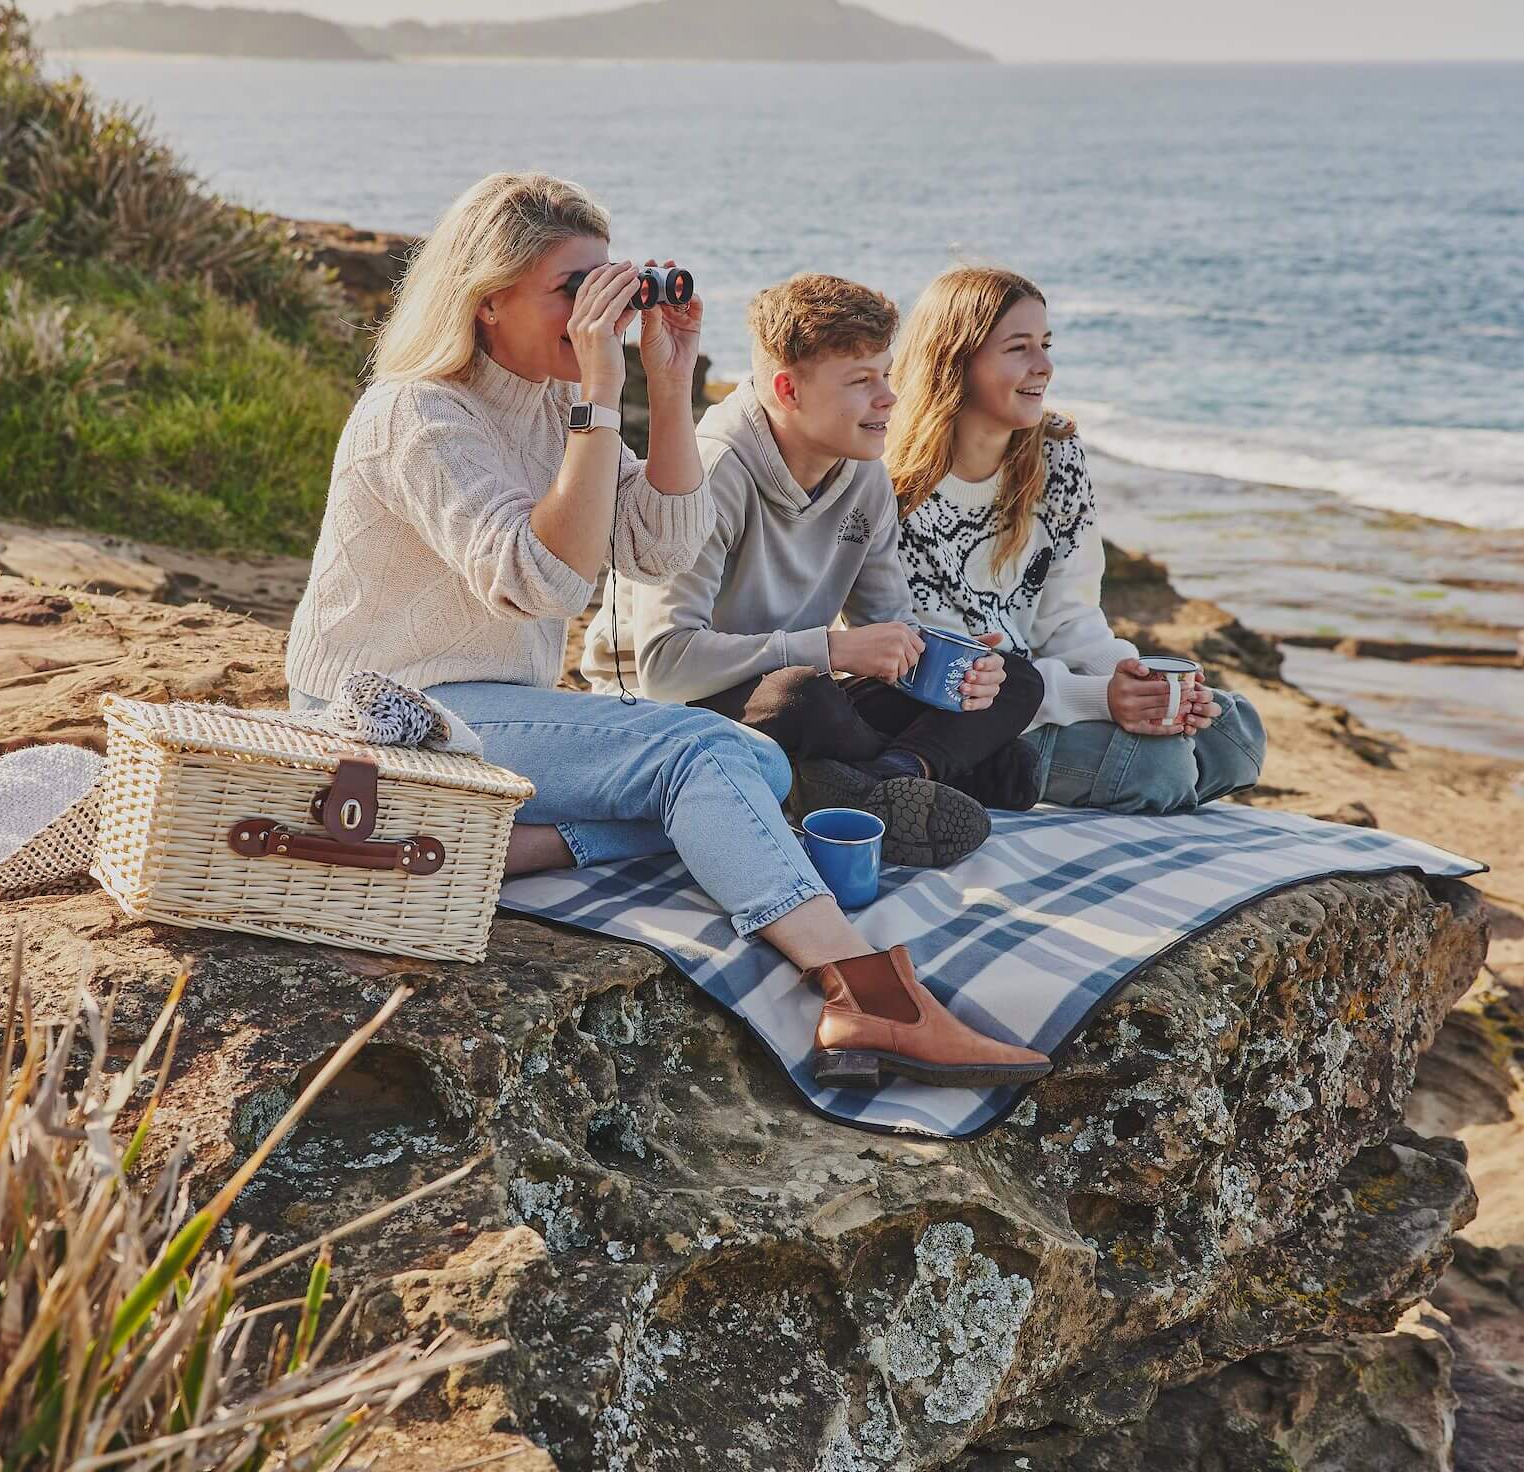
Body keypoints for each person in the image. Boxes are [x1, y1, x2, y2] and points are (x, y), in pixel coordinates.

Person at [284, 172, 1048, 1092]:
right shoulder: (416, 413)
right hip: (384, 715)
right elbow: (541, 578)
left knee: (759, 770)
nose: (595, 309)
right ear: (487, 304)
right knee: (698, 759)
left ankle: (476, 849)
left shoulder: (545, 407)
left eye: (609, 283)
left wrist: (667, 377)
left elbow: (660, 542)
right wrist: (599, 392)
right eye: (572, 290)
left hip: (487, 714)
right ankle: (862, 992)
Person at [583, 273, 1043, 860]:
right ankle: (927, 770)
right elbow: (665, 668)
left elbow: (889, 623)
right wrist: (831, 650)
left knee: (1014, 677)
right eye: (860, 381)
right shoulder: (708, 472)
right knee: (803, 697)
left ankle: (890, 776)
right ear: (787, 389)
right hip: (670, 709)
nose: (888, 399)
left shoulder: (863, 470)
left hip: (799, 692)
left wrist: (944, 656)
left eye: (886, 375)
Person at [886, 266, 1267, 813]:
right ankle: (980, 778)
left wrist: (1134, 684)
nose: (1045, 366)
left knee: (1235, 732)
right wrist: (1100, 700)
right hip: (970, 716)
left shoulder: (1055, 453)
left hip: (1048, 689)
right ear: (957, 361)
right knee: (1159, 768)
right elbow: (955, 674)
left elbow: (1070, 618)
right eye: (1018, 348)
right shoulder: (898, 494)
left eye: (1045, 344)